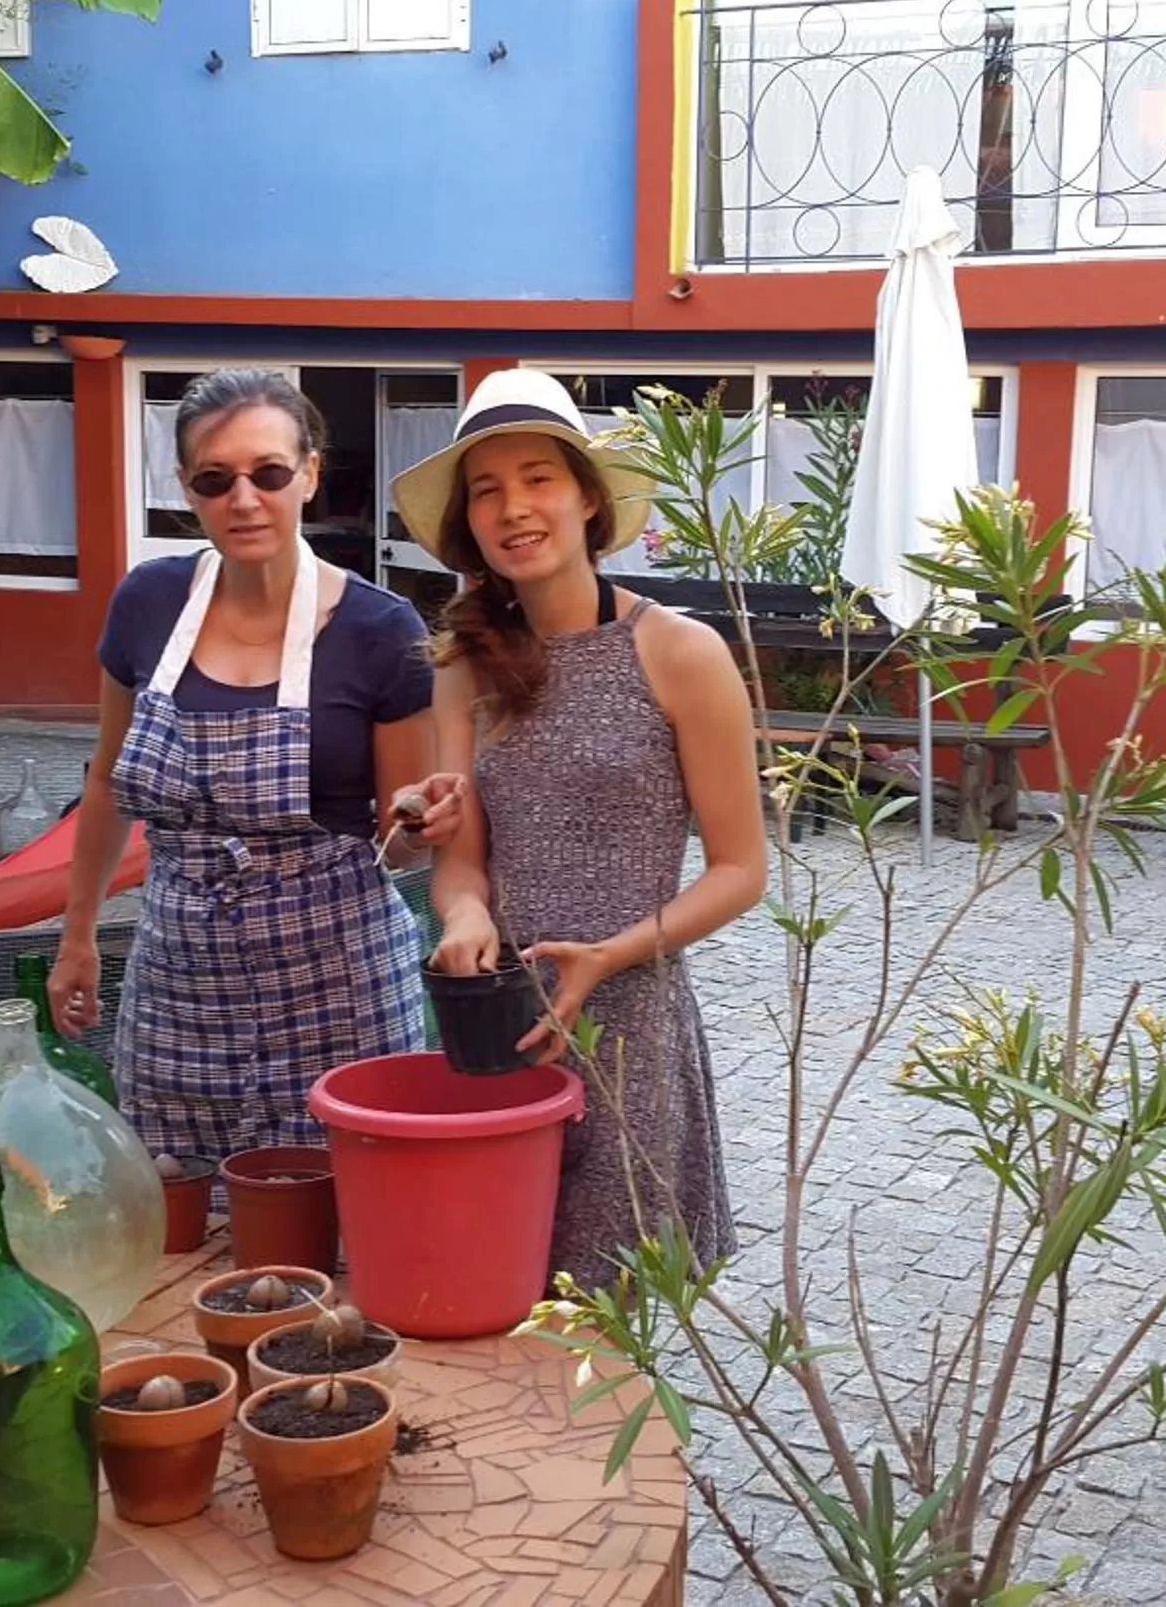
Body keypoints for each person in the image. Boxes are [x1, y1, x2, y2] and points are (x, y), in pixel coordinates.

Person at [394, 368, 768, 1287]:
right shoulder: (461, 667)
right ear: (467, 525)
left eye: (537, 478)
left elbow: (738, 870)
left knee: (610, 1310)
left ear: (589, 500)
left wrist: (607, 954)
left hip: (629, 1025)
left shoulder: (680, 652)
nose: (513, 508)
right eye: (486, 491)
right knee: (489, 1287)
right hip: (501, 1026)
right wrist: (465, 916)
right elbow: (460, 864)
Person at [52, 369, 433, 1158]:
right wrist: (78, 933)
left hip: (340, 981)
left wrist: (423, 827)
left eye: (269, 473)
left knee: (341, 1219)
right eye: (214, 479)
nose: (244, 499)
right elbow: (104, 778)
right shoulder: (146, 604)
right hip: (178, 979)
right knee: (176, 1210)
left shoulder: (380, 630)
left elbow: (400, 839)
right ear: (187, 489)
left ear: (310, 473)